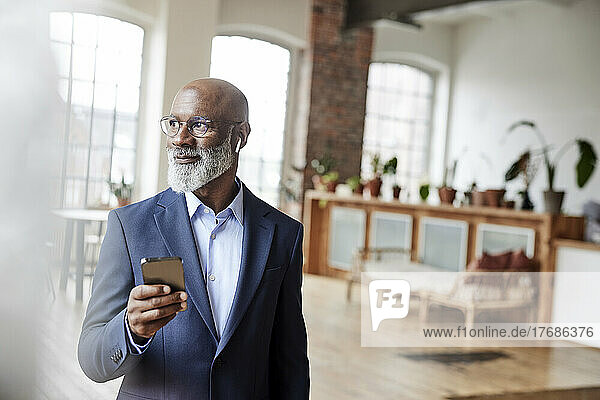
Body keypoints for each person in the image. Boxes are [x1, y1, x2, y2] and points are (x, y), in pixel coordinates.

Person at [78, 78, 310, 399]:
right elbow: (92, 358)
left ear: (239, 137)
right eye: (174, 124)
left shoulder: (284, 235)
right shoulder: (129, 225)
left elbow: (290, 359)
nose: (180, 139)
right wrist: (131, 329)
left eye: (199, 126)